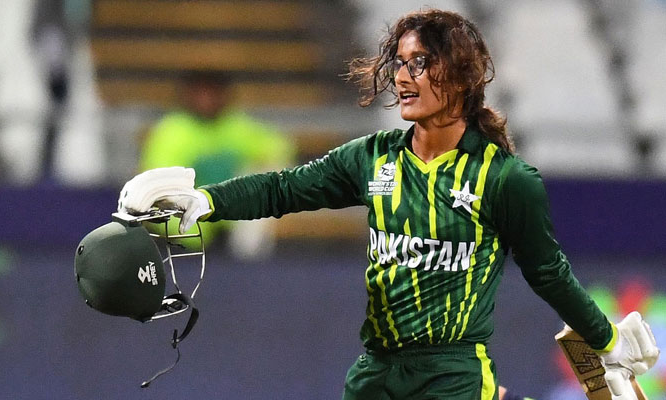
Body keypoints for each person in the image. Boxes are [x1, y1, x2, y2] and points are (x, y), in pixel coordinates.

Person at [117, 9, 659, 400]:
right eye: (399, 64)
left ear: (462, 77)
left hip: (454, 374)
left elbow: (549, 274)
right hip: (375, 374)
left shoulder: (506, 180)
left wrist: (605, 337)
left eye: (421, 63)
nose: (402, 77)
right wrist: (204, 200)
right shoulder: (371, 159)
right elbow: (282, 189)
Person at [137, 70, 295, 258]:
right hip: (181, 234)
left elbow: (280, 149)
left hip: (226, 226)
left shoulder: (237, 127)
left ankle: (248, 257)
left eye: (212, 93)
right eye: (201, 93)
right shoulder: (172, 131)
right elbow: (163, 186)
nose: (207, 100)